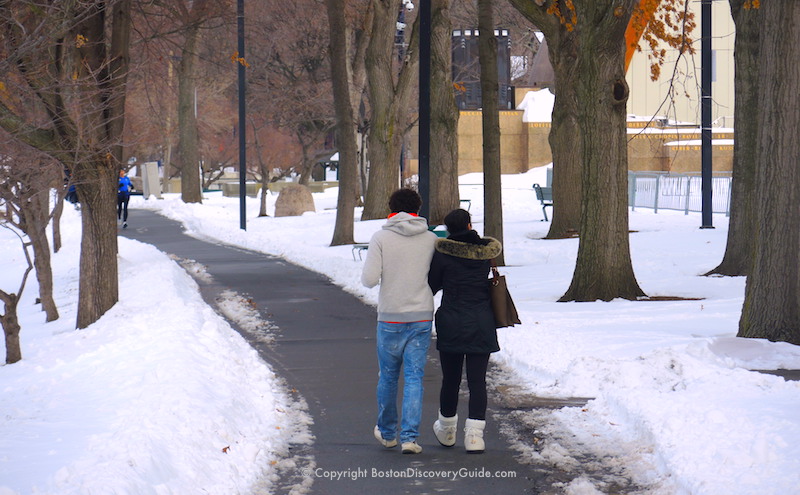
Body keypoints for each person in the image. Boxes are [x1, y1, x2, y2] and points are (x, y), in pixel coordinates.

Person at [361, 188, 437, 454]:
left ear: (391, 207)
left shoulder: (381, 237)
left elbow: (369, 279)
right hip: (421, 315)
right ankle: (410, 438)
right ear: (418, 208)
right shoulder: (430, 239)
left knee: (389, 376)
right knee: (415, 377)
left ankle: (387, 432)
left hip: (391, 316)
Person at [427, 208, 502, 454]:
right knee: (477, 380)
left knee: (451, 379)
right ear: (469, 225)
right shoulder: (485, 253)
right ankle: (474, 437)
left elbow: (433, 285)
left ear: (448, 230)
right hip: (481, 320)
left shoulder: (442, 254)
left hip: (451, 321)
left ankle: (447, 430)